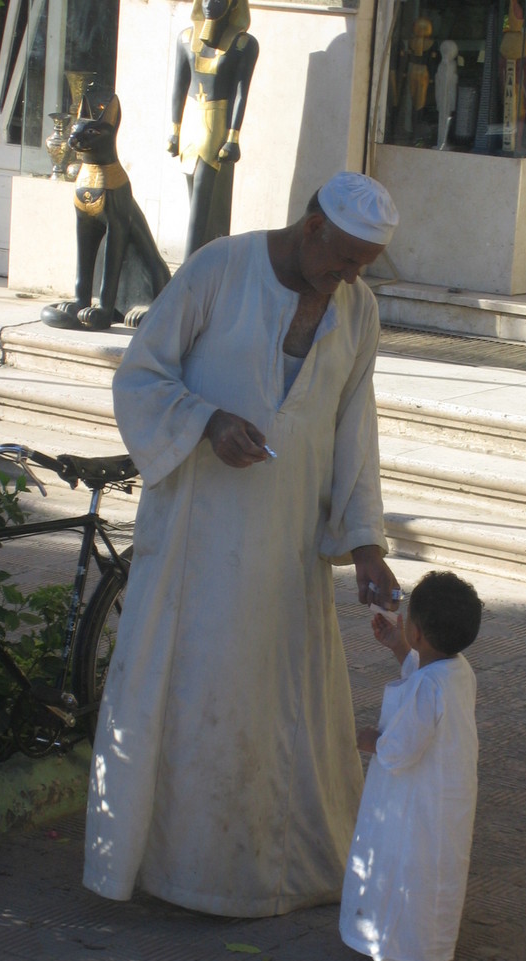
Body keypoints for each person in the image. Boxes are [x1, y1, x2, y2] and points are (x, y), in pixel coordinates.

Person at [83, 171, 401, 918]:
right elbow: (140, 376)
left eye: (364, 266)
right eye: (344, 258)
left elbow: (356, 428)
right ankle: (179, 867)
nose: (349, 277)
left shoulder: (358, 308)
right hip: (199, 534)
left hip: (288, 544)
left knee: (277, 698)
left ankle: (275, 867)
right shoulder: (219, 268)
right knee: (194, 690)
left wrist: (365, 545)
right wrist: (206, 422)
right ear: (312, 223)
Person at [339, 570, 483, 961]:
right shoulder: (459, 672)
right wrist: (400, 648)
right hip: (446, 800)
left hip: (415, 802)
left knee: (403, 862)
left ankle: (396, 944)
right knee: (436, 869)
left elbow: (400, 749)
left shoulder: (429, 687)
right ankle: (428, 945)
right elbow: (425, 674)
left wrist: (370, 741)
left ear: (418, 632)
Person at [167, 0, 259, 260]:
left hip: (215, 127)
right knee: (194, 199)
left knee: (202, 202)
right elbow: (179, 88)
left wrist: (233, 136)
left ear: (233, 5)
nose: (209, 4)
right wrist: (174, 131)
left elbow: (241, 93)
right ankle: (203, 261)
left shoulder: (243, 45)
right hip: (190, 126)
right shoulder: (186, 38)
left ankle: (189, 266)